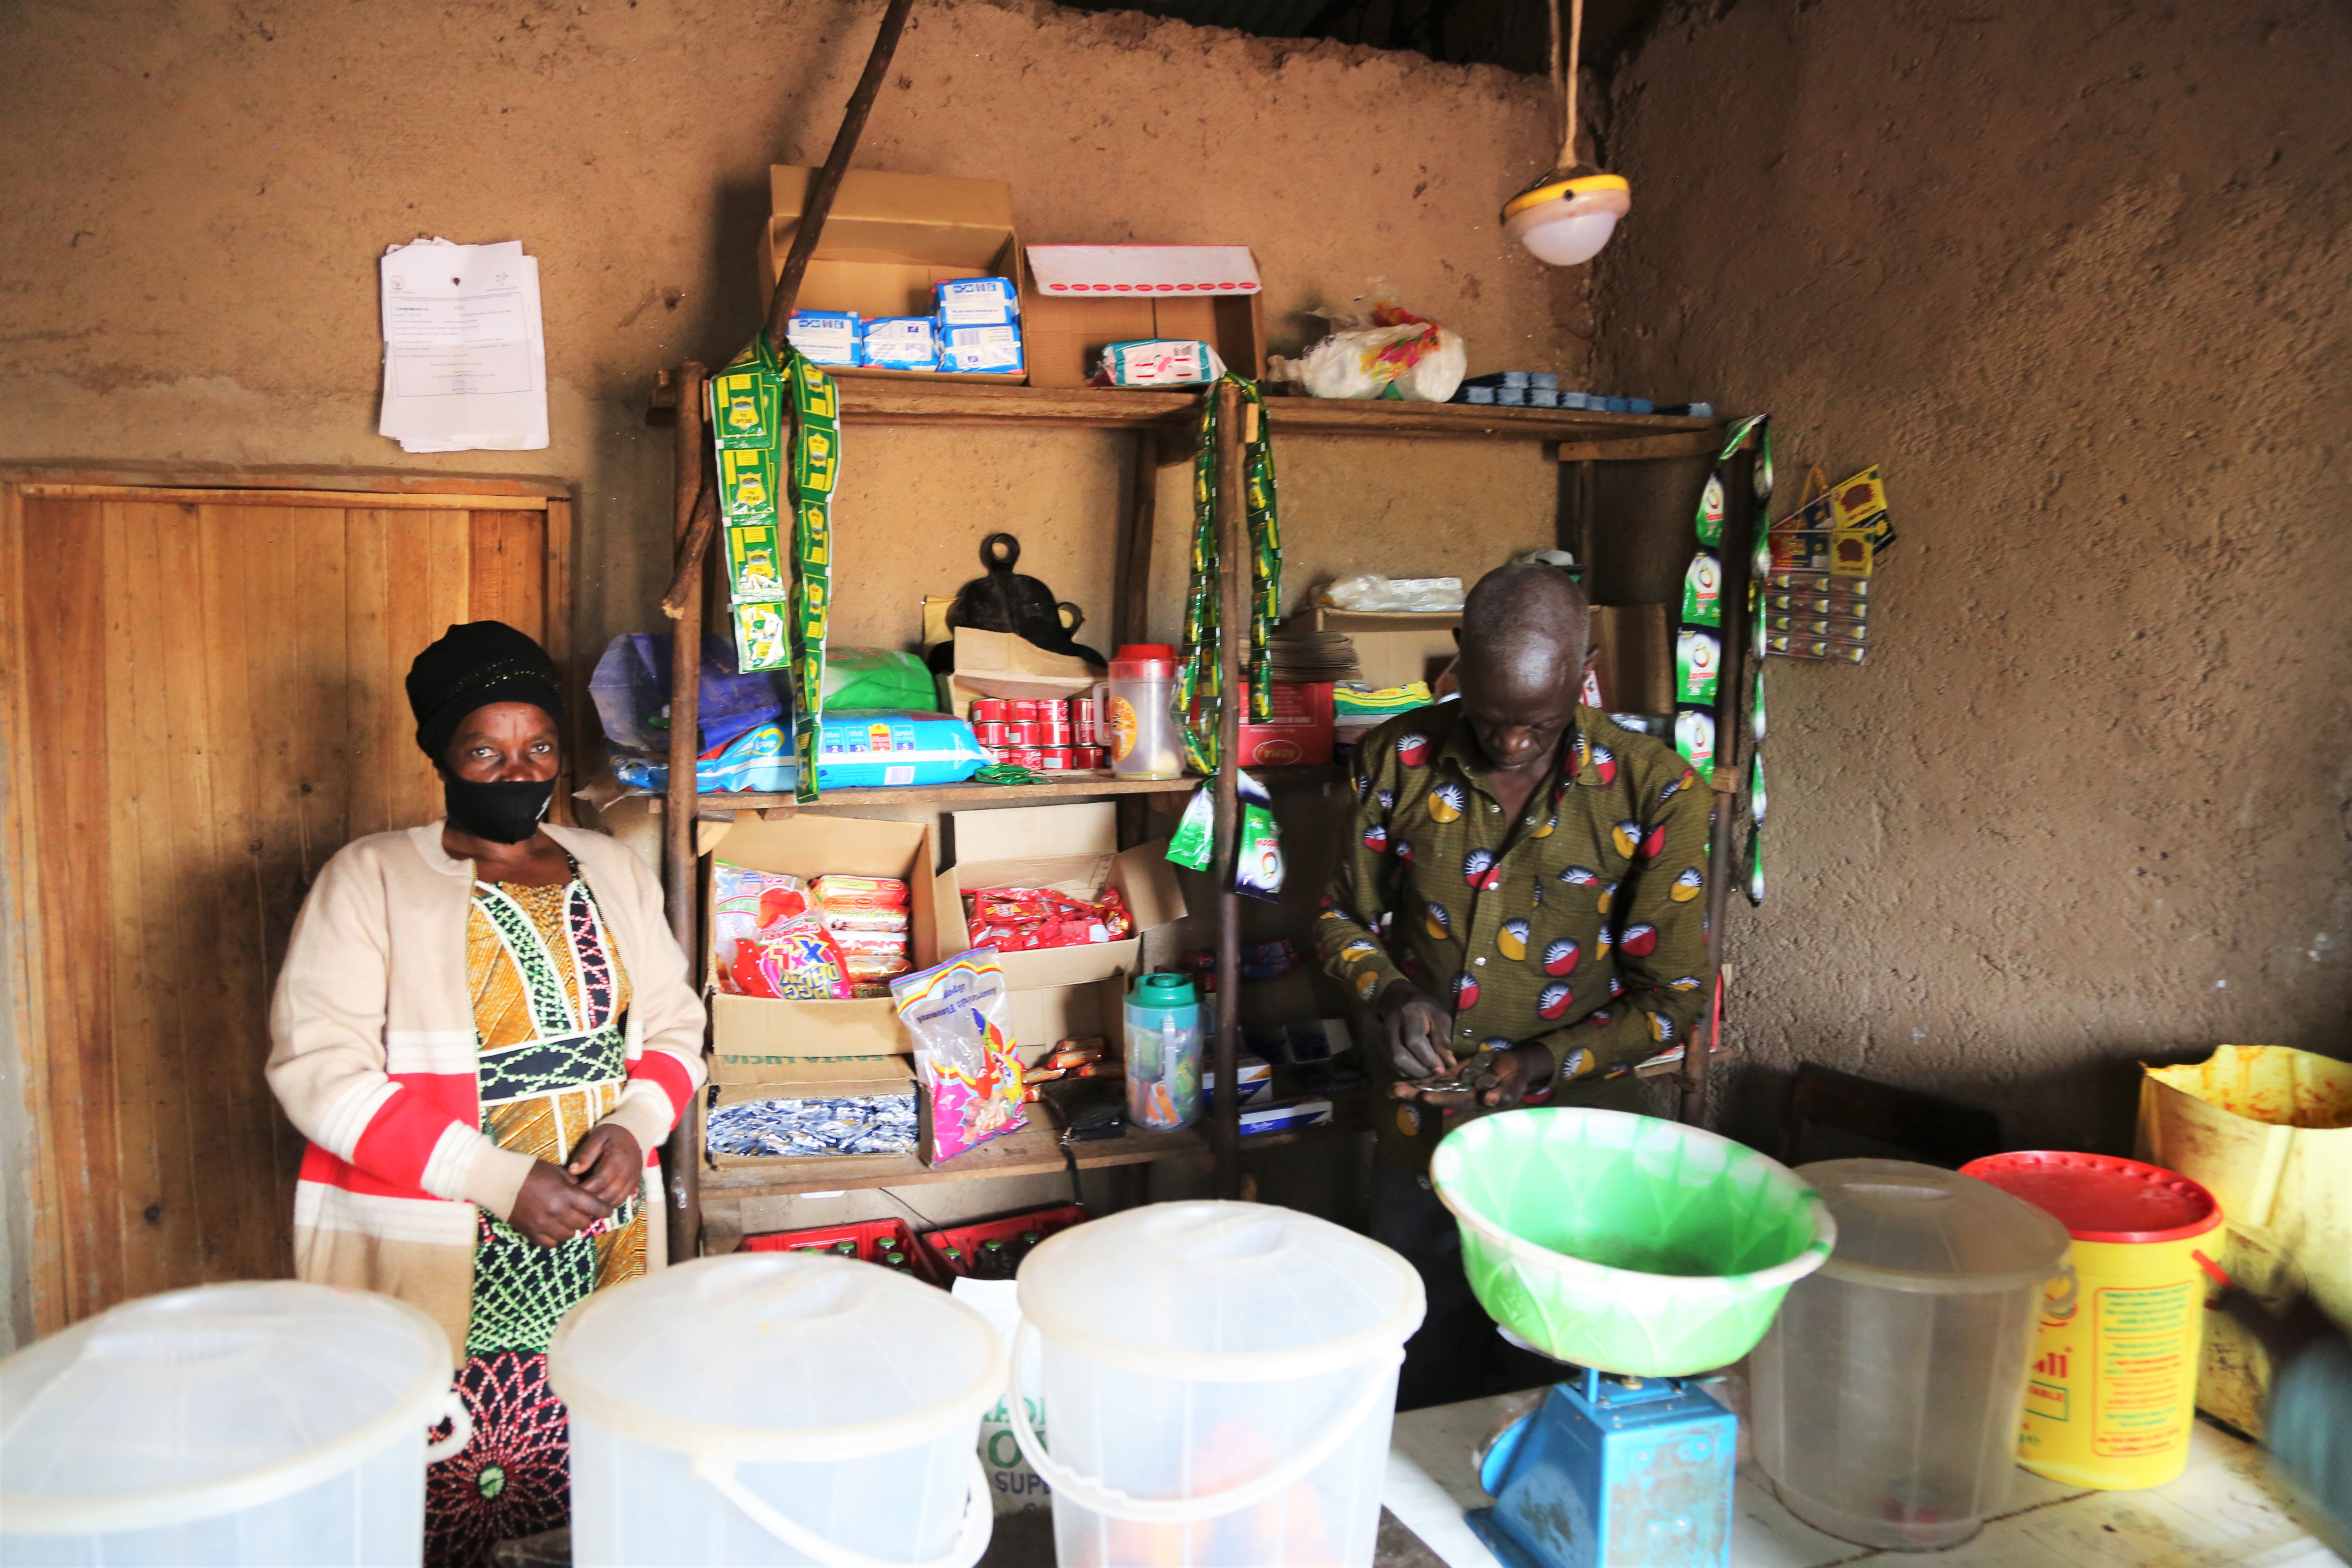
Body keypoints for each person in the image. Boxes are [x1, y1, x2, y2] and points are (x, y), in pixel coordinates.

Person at [266, 621, 706, 1567]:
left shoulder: (614, 869)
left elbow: (676, 1026)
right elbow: (318, 1072)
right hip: (442, 1248)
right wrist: (502, 1180)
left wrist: (637, 1126)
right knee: (428, 1501)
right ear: (442, 755)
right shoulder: (371, 878)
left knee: (593, 1490)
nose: (517, 770)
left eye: (538, 747)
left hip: (602, 1242)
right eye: (486, 750)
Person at [1317, 564, 1715, 1406]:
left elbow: (1674, 997)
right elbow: (1339, 918)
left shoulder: (1656, 789)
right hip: (1421, 1134)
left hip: (1573, 1155)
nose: (1513, 742)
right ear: (1459, 656)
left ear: (1586, 667)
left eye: (1540, 720)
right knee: (1420, 1370)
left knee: (1562, 1381)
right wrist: (1388, 993)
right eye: (1492, 717)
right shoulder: (1399, 760)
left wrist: (1538, 1067)